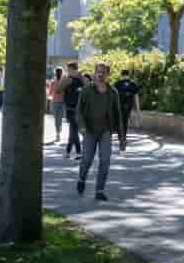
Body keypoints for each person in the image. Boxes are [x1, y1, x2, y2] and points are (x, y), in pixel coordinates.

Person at [75, 62, 126, 201]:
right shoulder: (86, 90)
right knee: (87, 159)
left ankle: (99, 190)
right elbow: (78, 112)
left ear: (108, 74)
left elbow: (118, 115)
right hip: (89, 131)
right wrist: (82, 128)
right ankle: (81, 178)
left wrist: (122, 139)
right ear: (94, 73)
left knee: (105, 160)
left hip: (105, 131)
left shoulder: (113, 92)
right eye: (98, 71)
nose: (100, 74)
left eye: (103, 72)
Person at [60, 62, 84, 159]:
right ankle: (69, 151)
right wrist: (64, 81)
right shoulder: (66, 80)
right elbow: (58, 90)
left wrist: (81, 77)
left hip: (79, 109)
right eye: (67, 70)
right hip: (69, 108)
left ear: (75, 70)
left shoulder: (80, 80)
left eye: (69, 70)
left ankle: (77, 152)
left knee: (73, 130)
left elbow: (89, 87)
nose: (68, 71)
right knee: (73, 130)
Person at [114, 70, 141, 146]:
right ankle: (123, 136)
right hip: (129, 106)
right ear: (128, 75)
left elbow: (113, 96)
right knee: (125, 121)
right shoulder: (133, 84)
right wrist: (138, 110)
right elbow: (136, 97)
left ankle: (121, 136)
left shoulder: (117, 84)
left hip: (119, 105)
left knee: (120, 121)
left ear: (121, 75)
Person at [47, 67, 66, 143]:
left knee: (56, 119)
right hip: (63, 102)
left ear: (55, 73)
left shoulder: (53, 82)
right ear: (62, 72)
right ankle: (58, 133)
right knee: (60, 118)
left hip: (54, 102)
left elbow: (50, 93)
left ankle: (58, 134)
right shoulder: (64, 81)